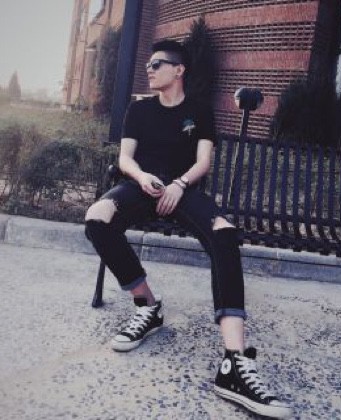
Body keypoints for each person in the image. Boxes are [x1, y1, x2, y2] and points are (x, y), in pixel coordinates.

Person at [85, 39, 292, 419]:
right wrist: (142, 177)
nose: (149, 69)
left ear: (178, 70)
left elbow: (203, 162)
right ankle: (148, 306)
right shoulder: (139, 109)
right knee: (97, 217)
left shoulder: (199, 111)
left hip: (184, 191)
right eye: (148, 64)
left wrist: (179, 185)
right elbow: (125, 158)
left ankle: (234, 364)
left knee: (224, 231)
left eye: (157, 64)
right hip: (142, 186)